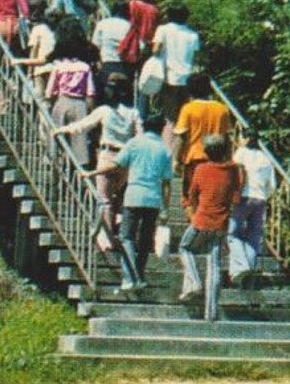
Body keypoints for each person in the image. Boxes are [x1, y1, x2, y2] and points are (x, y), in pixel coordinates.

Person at [59, 73, 142, 281]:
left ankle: (105, 238)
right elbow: (139, 137)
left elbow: (84, 125)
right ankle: (118, 234)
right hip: (125, 158)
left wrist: (62, 129)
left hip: (107, 154)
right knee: (116, 199)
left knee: (104, 199)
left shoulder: (104, 110)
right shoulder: (133, 113)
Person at [88, 114, 172, 292]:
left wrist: (92, 173)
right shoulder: (165, 150)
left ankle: (129, 277)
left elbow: (116, 164)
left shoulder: (134, 143)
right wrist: (165, 208)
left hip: (133, 196)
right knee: (145, 240)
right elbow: (166, 183)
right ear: (161, 129)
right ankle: (140, 276)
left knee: (127, 237)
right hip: (154, 199)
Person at [179, 134, 243, 320]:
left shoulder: (201, 169)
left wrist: (188, 203)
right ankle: (211, 312)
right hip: (221, 223)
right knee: (214, 264)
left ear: (206, 152)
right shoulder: (234, 170)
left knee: (185, 247)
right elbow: (237, 197)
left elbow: (191, 196)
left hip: (201, 221)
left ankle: (195, 281)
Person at [230, 132, 277, 286]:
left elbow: (234, 175)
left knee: (231, 233)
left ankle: (241, 266)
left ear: (246, 139)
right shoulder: (265, 157)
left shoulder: (241, 153)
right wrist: (264, 195)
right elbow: (273, 185)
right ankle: (247, 273)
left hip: (244, 197)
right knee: (253, 236)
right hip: (261, 198)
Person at [172, 73, 231, 191]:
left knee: (192, 199)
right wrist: (228, 160)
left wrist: (175, 160)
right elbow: (227, 138)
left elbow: (181, 137)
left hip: (195, 158)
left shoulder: (188, 109)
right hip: (217, 160)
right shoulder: (222, 109)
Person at [43, 39, 98, 163]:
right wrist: (91, 110)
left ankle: (53, 161)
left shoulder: (59, 66)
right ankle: (78, 168)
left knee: (56, 134)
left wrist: (51, 102)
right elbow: (90, 92)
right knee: (79, 138)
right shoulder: (85, 67)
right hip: (79, 102)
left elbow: (50, 90)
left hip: (62, 100)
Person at [151, 3, 202, 131]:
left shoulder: (163, 29)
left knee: (169, 116)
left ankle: (170, 142)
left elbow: (156, 50)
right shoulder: (193, 35)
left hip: (169, 76)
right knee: (184, 113)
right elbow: (196, 58)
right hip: (187, 78)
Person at [92, 1, 133, 88]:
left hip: (105, 63)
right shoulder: (128, 26)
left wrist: (97, 62)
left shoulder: (102, 24)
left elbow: (95, 45)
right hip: (123, 65)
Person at [119, 0, 160, 70]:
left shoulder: (131, 5)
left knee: (128, 72)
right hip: (147, 44)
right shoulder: (154, 10)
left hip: (131, 42)